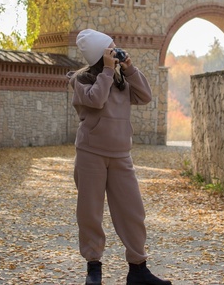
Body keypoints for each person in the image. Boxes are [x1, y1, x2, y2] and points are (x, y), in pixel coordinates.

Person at [68, 29, 172, 285]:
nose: (115, 51)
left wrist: (130, 68)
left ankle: (138, 269)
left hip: (121, 155)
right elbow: (96, 100)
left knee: (133, 212)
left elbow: (145, 96)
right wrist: (105, 70)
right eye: (110, 48)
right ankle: (94, 269)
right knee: (90, 213)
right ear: (97, 54)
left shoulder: (119, 79)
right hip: (91, 153)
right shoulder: (80, 80)